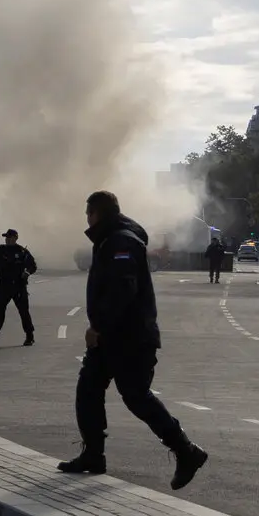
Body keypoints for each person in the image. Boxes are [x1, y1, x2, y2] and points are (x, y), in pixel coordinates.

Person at [58, 190, 208, 491]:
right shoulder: (111, 239)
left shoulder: (120, 242)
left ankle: (186, 451)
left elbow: (122, 291)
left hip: (129, 338)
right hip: (115, 337)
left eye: (89, 214)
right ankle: (93, 455)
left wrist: (98, 327)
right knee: (88, 389)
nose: (86, 220)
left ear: (98, 213)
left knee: (137, 397)